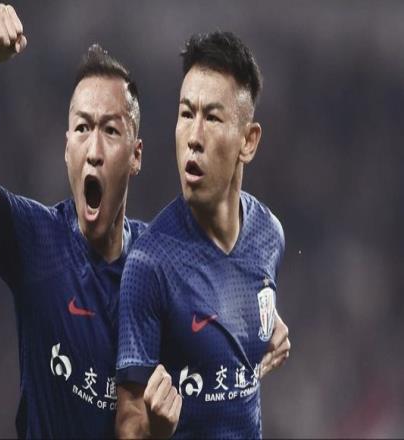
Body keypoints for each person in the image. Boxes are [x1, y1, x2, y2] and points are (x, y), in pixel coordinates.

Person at [0, 4, 180, 437]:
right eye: (83, 128)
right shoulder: (39, 238)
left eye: (110, 130)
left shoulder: (157, 264)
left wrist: (262, 319)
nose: (94, 150)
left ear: (136, 155)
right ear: (67, 148)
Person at [116, 31, 289, 438]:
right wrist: (157, 428)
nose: (193, 137)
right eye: (185, 113)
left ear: (248, 141)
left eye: (211, 118)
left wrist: (267, 325)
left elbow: (243, 298)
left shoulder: (269, 234)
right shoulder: (149, 265)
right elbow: (127, 424)